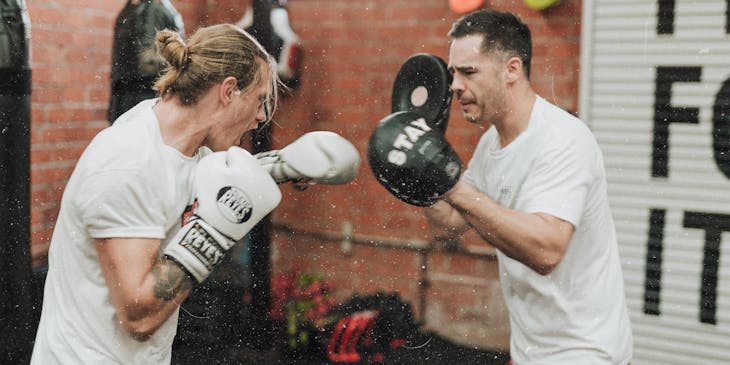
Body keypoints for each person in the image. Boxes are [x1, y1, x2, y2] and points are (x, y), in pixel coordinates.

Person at [30, 24, 283, 364]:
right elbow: (139, 315)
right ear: (228, 91)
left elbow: (222, 171)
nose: (261, 116)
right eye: (258, 99)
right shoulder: (127, 164)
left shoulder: (184, 140)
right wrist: (212, 231)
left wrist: (289, 166)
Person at [423, 9, 633, 364]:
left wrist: (453, 187)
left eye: (469, 72)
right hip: (530, 352)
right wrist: (423, 180)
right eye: (453, 73)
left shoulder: (562, 139)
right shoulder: (491, 144)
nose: (456, 85)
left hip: (587, 353)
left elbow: (546, 250)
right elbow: (449, 225)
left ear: (512, 70)